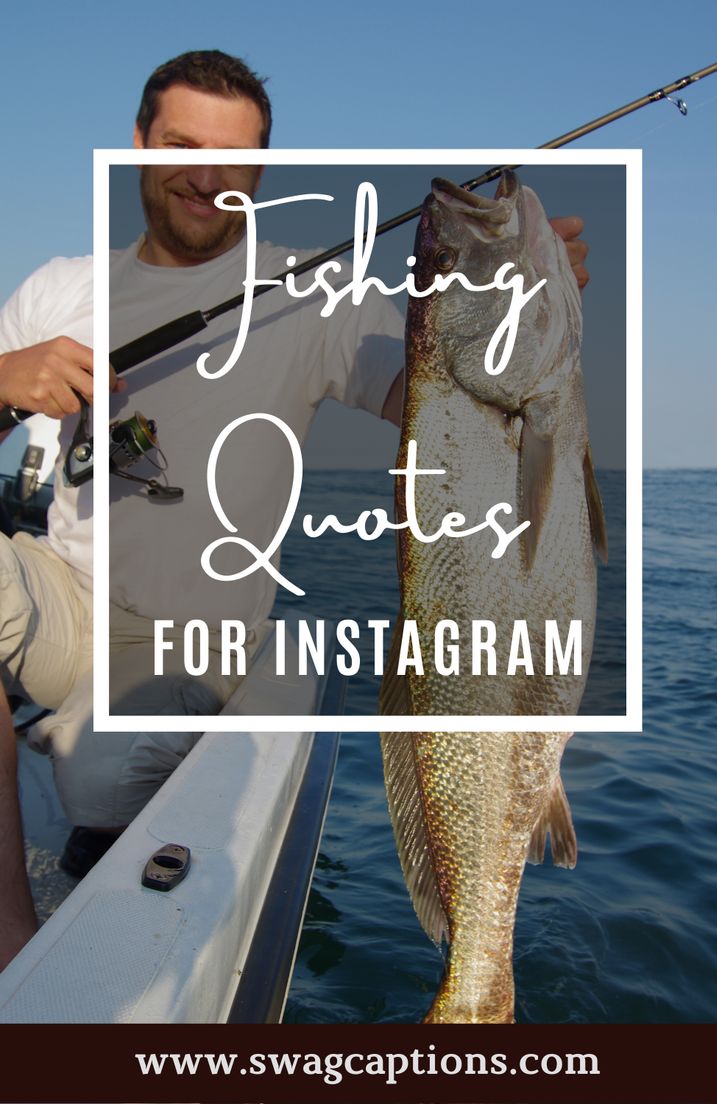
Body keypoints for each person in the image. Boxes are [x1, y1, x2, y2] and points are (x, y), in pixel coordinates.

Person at [0, 50, 590, 967]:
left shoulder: (314, 294)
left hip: (190, 637)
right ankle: (12, 933)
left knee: (98, 781)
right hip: (61, 594)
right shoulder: (55, 287)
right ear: (135, 147)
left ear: (262, 170)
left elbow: (447, 399)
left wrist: (513, 309)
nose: (205, 176)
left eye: (233, 158)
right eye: (181, 145)